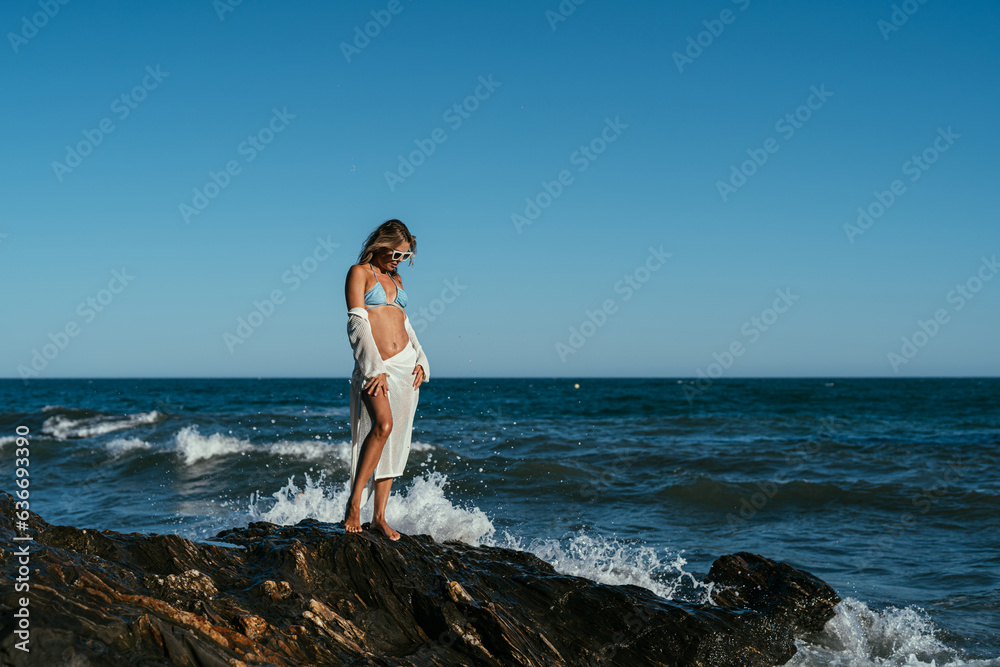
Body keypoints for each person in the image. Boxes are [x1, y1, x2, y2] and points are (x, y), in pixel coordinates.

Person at [343, 219, 429, 540]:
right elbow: (357, 323)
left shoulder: (398, 279)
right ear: (380, 243)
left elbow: (404, 323)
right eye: (394, 252)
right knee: (383, 426)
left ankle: (379, 516)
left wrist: (421, 358)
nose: (397, 260)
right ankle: (354, 504)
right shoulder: (359, 272)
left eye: (404, 256)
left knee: (396, 439)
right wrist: (372, 366)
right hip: (376, 365)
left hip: (406, 366)